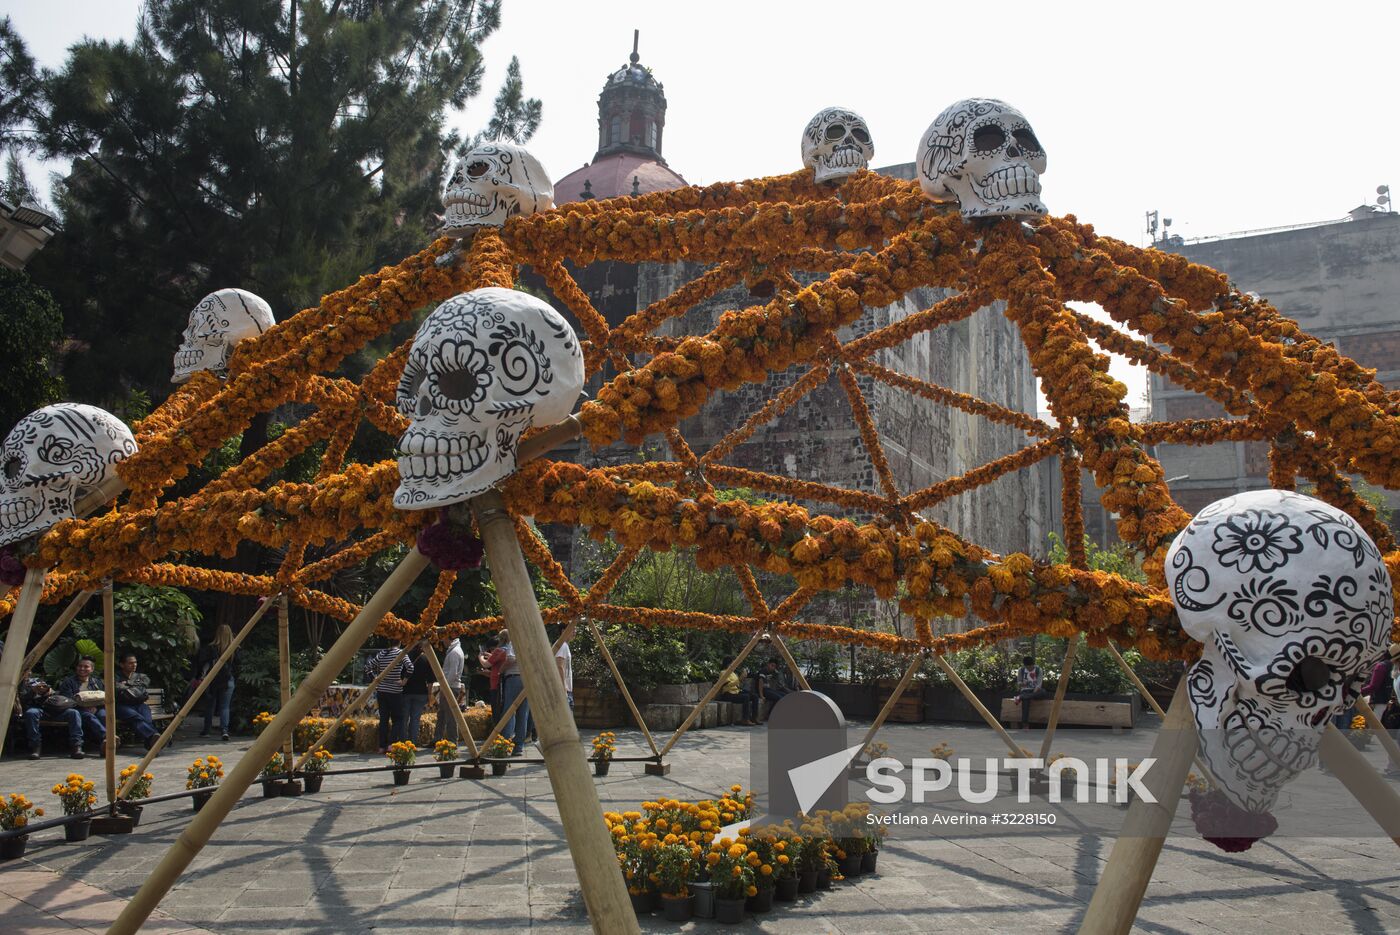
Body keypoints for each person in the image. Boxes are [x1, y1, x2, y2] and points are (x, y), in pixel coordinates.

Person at [18, 673, 86, 759]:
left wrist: (48, 692)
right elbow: (23, 700)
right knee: (31, 713)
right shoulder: (21, 684)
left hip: (56, 710)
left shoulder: (39, 681)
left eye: (29, 672)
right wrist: (33, 691)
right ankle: (36, 748)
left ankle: (76, 747)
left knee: (74, 713)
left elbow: (58, 697)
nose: (28, 674)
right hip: (39, 710)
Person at [366, 643, 414, 753]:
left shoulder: (382, 653)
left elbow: (368, 667)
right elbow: (410, 667)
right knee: (398, 719)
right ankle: (391, 744)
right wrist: (404, 681)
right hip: (395, 690)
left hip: (382, 690)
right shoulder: (400, 653)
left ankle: (382, 746)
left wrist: (375, 680)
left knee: (384, 719)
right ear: (400, 642)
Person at [56, 657, 107, 752]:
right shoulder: (68, 682)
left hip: (96, 708)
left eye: (86, 666)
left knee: (104, 715)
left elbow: (105, 697)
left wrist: (95, 707)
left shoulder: (97, 682)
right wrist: (85, 706)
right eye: (80, 666)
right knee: (88, 716)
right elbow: (67, 699)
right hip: (78, 709)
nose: (82, 668)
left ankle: (103, 745)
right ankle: (107, 737)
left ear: (92, 669)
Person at [198, 624, 238, 740]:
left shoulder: (211, 648)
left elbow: (203, 663)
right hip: (228, 680)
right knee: (225, 707)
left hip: (212, 680)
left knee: (210, 706)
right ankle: (224, 730)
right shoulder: (234, 649)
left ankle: (206, 730)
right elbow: (238, 665)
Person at [114, 653, 160, 751]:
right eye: (130, 663)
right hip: (122, 706)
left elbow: (144, 684)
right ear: (122, 664)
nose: (134, 665)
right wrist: (134, 686)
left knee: (147, 720)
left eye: (135, 662)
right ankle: (157, 739)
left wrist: (126, 684)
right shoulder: (115, 676)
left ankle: (151, 743)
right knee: (136, 717)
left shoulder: (142, 676)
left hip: (139, 704)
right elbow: (115, 686)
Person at [497, 637, 530, 754]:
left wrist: (500, 670)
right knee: (523, 713)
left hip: (514, 677)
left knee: (509, 712)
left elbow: (511, 659)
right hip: (527, 679)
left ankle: (504, 744)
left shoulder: (515, 641)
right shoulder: (530, 641)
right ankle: (519, 746)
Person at [434, 636, 466, 744]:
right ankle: (437, 739)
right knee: (442, 714)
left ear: (449, 638)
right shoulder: (455, 651)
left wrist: (445, 687)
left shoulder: (454, 652)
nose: (442, 640)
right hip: (450, 686)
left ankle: (452, 741)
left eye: (444, 638)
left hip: (450, 687)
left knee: (450, 715)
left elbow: (453, 673)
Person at [401, 646, 433, 746]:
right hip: (421, 692)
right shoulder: (426, 659)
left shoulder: (404, 657)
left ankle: (402, 743)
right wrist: (429, 694)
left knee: (404, 718)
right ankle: (412, 743)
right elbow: (430, 680)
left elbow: (400, 675)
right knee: (415, 719)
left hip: (405, 692)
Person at [480, 630, 509, 723]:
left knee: (496, 710)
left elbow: (486, 664)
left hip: (496, 684)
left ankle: (497, 732)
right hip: (502, 681)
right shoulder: (508, 649)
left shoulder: (499, 650)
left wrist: (480, 656)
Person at [718, 659, 759, 726]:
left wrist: (743, 677)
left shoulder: (733, 673)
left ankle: (754, 717)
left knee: (754, 696)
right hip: (728, 694)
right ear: (728, 664)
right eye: (733, 663)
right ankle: (745, 719)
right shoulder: (723, 672)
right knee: (746, 697)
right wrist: (739, 679)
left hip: (736, 692)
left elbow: (737, 684)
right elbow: (727, 685)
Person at [1014, 655, 1047, 730]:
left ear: (1033, 664)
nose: (1029, 669)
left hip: (1035, 691)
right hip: (1025, 690)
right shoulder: (1021, 670)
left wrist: (1036, 689)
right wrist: (1022, 683)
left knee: (1043, 692)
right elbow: (1018, 682)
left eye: (1031, 667)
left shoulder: (1038, 669)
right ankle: (1025, 724)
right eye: (1027, 667)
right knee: (1025, 701)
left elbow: (1039, 683)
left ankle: (1019, 697)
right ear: (1024, 665)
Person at [555, 623, 575, 709]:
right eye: (573, 629)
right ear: (563, 631)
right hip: (564, 690)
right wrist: (564, 690)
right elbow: (559, 666)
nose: (575, 631)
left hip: (566, 689)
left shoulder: (564, 645)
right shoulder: (562, 645)